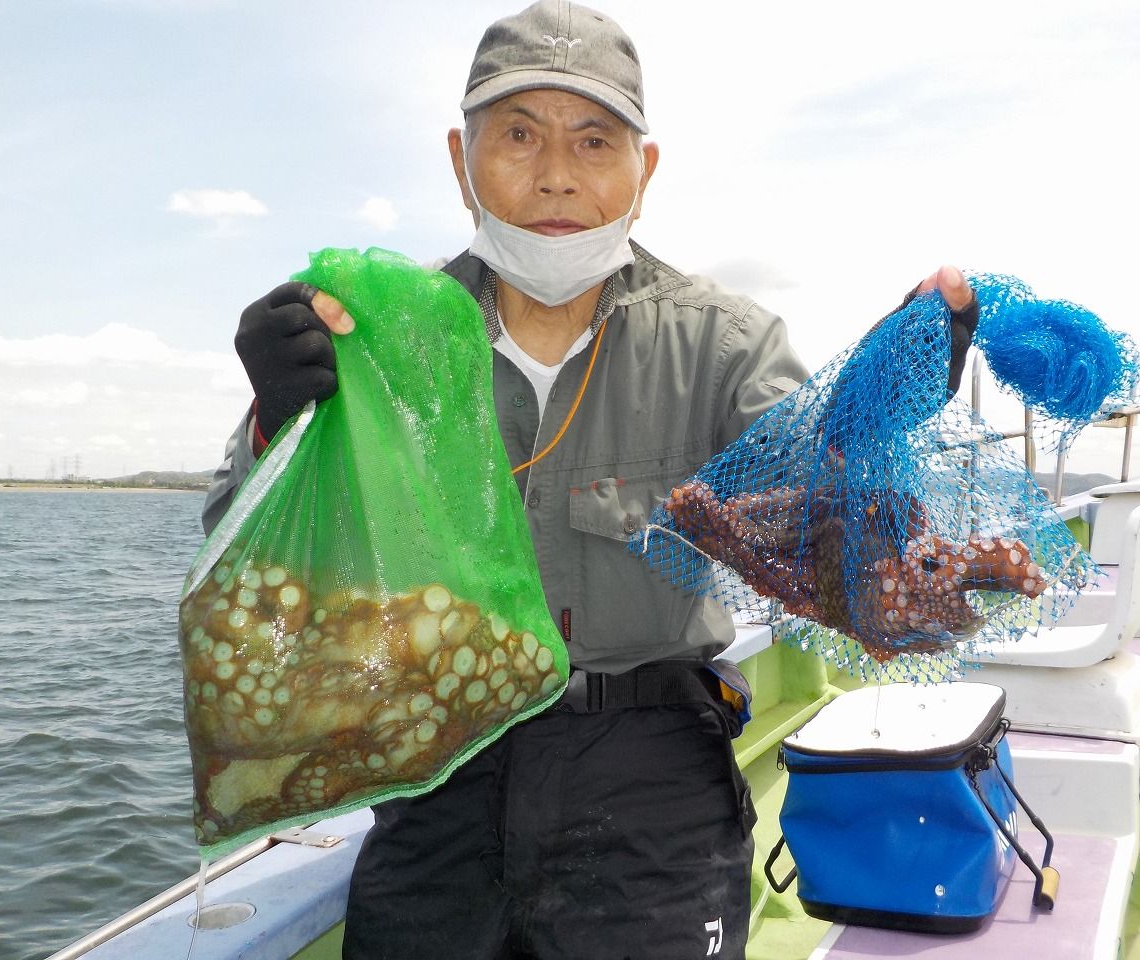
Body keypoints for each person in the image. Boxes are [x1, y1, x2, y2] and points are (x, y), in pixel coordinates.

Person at [201, 2, 977, 957]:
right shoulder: (378, 339)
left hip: (652, 773)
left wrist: (876, 414)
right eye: (519, 134)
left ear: (644, 171)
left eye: (595, 140)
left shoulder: (726, 344)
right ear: (460, 160)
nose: (557, 175)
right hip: (439, 772)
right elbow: (241, 546)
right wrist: (275, 416)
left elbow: (814, 490)